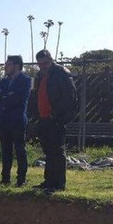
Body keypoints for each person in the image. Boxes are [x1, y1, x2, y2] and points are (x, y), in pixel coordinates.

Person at [34, 49, 77, 193]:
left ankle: (59, 183)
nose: (43, 66)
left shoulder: (61, 73)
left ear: (51, 60)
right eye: (40, 64)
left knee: (57, 151)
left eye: (45, 63)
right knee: (48, 151)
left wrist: (57, 116)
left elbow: (70, 97)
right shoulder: (40, 75)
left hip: (55, 118)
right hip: (43, 118)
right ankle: (49, 181)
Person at [0, 55, 32, 186]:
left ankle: (21, 179)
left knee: (20, 149)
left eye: (8, 64)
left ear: (16, 65)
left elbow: (17, 99)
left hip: (17, 120)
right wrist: (6, 96)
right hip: (3, 120)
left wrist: (4, 97)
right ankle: (5, 178)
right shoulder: (4, 81)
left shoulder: (26, 80)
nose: (5, 67)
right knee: (5, 150)